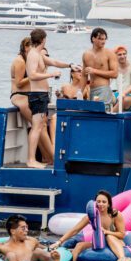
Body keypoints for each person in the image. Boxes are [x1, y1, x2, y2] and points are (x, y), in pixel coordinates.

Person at [25, 28, 76, 168]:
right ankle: (31, 160)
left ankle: (32, 159)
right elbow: (32, 75)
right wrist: (51, 75)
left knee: (40, 126)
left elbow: (54, 61)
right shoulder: (33, 55)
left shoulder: (39, 54)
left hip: (42, 96)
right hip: (37, 96)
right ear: (43, 40)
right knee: (36, 127)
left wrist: (70, 65)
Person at [50, 190, 126, 261]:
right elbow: (75, 230)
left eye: (104, 202)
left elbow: (122, 234)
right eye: (98, 201)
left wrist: (107, 232)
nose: (101, 204)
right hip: (99, 243)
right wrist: (59, 242)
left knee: (109, 236)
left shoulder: (115, 215)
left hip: (115, 242)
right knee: (79, 245)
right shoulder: (91, 216)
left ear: (109, 204)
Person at [11, 37, 54, 163]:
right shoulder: (20, 61)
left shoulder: (31, 60)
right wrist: (32, 75)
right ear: (25, 47)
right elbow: (19, 83)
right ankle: (53, 157)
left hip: (30, 95)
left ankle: (47, 157)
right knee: (39, 125)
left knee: (41, 125)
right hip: (19, 95)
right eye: (32, 46)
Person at [82, 27, 118, 107]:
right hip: (91, 90)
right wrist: (82, 92)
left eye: (104, 39)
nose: (103, 41)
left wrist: (94, 71)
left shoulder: (109, 53)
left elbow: (115, 74)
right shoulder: (86, 54)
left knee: (101, 115)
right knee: (91, 115)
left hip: (103, 89)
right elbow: (84, 75)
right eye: (100, 39)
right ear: (93, 38)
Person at [111, 45, 131, 112]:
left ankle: (108, 119)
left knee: (123, 100)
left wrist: (123, 93)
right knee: (104, 98)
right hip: (118, 94)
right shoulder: (114, 67)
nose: (122, 56)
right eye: (119, 55)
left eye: (124, 54)